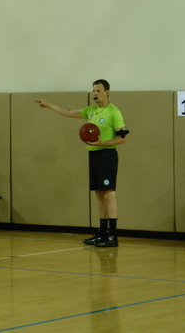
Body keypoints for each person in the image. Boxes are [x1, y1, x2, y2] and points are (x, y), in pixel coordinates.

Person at [35, 79, 127, 247]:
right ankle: (102, 233)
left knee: (109, 194)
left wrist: (102, 143)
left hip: (106, 155)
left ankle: (113, 236)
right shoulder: (91, 110)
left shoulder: (114, 111)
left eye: (98, 90)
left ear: (107, 92)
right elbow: (69, 111)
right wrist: (49, 105)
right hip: (94, 155)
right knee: (99, 194)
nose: (95, 93)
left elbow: (122, 139)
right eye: (93, 90)